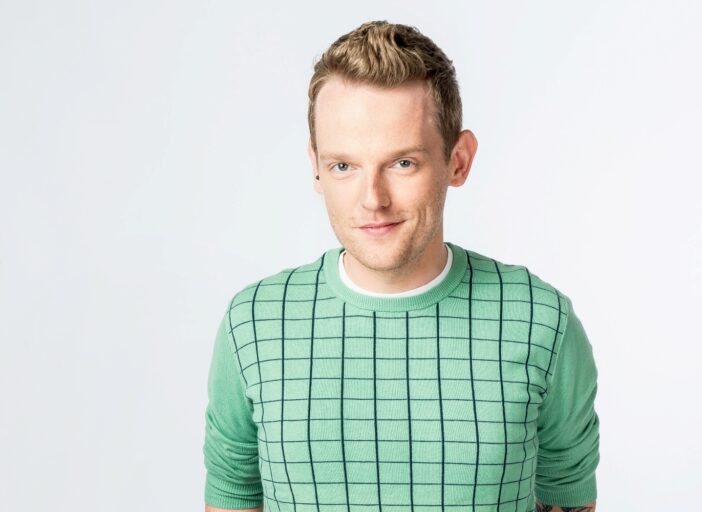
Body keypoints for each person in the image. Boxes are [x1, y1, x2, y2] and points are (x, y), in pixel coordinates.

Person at [203, 20, 600, 512]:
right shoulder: (254, 325)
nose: (373, 199)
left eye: (402, 163)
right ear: (316, 166)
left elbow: (566, 493)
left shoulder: (542, 322)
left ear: (458, 161)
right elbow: (232, 494)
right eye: (344, 166)